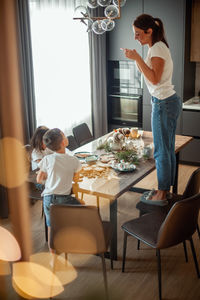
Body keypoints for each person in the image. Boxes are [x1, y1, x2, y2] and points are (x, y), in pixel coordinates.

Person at [121, 14, 182, 206]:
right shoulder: (156, 47)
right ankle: (165, 190)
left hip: (163, 103)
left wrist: (137, 57)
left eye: (138, 34)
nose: (135, 38)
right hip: (165, 101)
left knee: (162, 151)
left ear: (150, 31)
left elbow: (154, 78)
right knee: (167, 149)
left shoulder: (157, 48)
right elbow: (153, 76)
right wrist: (139, 58)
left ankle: (162, 194)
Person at [36, 128, 82, 250]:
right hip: (64, 199)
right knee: (85, 211)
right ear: (63, 143)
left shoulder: (47, 159)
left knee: (51, 227)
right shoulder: (73, 160)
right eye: (64, 136)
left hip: (47, 199)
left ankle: (53, 258)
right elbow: (76, 179)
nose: (66, 137)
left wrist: (50, 179)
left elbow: (39, 179)